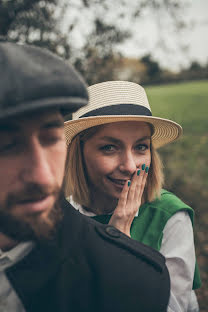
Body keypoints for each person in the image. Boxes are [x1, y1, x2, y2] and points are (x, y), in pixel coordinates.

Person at [0, 40, 170, 312]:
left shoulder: (131, 282)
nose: (43, 175)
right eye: (6, 146)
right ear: (79, 152)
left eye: (50, 139)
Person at [64, 80, 201, 312]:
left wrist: (120, 250)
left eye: (140, 147)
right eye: (109, 147)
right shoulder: (61, 217)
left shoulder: (169, 216)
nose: (129, 166)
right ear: (79, 153)